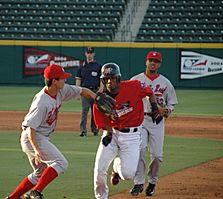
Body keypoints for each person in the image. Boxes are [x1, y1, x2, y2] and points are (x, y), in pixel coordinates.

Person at [5, 64, 99, 199]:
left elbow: (82, 90)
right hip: (33, 137)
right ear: (54, 81)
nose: (65, 80)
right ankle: (35, 192)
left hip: (40, 136)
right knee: (61, 163)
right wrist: (37, 149)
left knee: (39, 173)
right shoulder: (41, 102)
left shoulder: (61, 90)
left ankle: (12, 197)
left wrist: (96, 97)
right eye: (62, 78)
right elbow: (31, 128)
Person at [92, 63, 162, 199]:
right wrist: (108, 131)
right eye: (106, 79)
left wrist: (154, 107)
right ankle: (101, 197)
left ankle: (117, 167)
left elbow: (149, 92)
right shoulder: (100, 99)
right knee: (99, 169)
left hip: (132, 136)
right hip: (112, 134)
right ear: (102, 80)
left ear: (118, 78)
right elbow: (101, 119)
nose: (109, 82)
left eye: (112, 78)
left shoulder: (134, 86)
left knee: (128, 174)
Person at [129, 51, 178, 197]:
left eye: (155, 61)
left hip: (157, 121)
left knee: (157, 155)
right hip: (141, 120)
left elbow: (172, 102)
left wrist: (167, 110)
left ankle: (152, 182)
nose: (152, 63)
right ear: (146, 61)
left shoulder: (165, 82)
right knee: (139, 149)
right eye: (150, 60)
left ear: (159, 64)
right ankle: (138, 182)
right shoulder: (135, 80)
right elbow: (127, 99)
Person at [76, 47, 102, 137]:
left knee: (95, 111)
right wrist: (77, 91)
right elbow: (78, 79)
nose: (89, 54)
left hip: (95, 90)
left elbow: (101, 79)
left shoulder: (98, 66)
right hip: (85, 90)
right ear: (85, 54)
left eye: (91, 53)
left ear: (94, 54)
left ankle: (95, 129)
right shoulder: (81, 66)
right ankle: (83, 130)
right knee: (85, 111)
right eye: (88, 53)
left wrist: (101, 89)